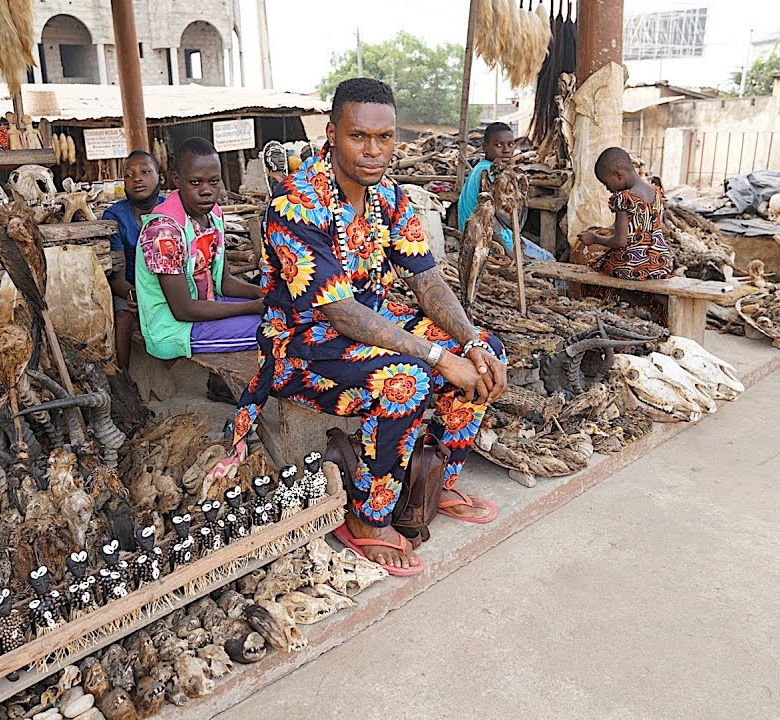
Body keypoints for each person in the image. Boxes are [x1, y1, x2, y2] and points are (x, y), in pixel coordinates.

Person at [212, 78, 509, 575]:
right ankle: (368, 519)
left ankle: (434, 479)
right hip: (304, 347)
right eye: (358, 137)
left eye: (385, 137)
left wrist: (472, 342)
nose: (374, 151)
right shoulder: (295, 203)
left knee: (488, 349)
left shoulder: (388, 197)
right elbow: (340, 312)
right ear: (331, 132)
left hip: (371, 332)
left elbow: (429, 281)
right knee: (406, 380)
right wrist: (438, 357)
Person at [134, 136, 264, 375]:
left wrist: (261, 293)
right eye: (195, 182)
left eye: (214, 182)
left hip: (207, 309)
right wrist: (253, 307)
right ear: (177, 180)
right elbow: (183, 310)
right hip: (176, 329)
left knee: (285, 313)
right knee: (279, 329)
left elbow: (222, 282)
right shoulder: (163, 231)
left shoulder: (214, 215)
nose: (206, 191)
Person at [575, 146, 675, 323]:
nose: (608, 189)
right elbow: (644, 227)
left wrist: (594, 238)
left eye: (607, 184)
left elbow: (620, 242)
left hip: (634, 265)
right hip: (660, 262)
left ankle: (616, 315)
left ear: (618, 175)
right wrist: (610, 229)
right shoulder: (655, 191)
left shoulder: (623, 198)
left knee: (596, 270)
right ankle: (651, 312)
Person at [101, 150, 167, 371]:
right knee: (122, 317)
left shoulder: (173, 211)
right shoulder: (114, 217)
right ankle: (123, 376)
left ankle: (214, 380)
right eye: (129, 175)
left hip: (170, 286)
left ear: (161, 178)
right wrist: (134, 295)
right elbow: (118, 278)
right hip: (131, 290)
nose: (137, 178)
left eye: (145, 172)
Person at [457, 122, 556, 262]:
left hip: (483, 240)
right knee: (549, 259)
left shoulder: (480, 168)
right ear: (485, 147)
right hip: (491, 245)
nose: (506, 150)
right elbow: (489, 220)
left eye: (510, 144)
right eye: (499, 145)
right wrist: (512, 255)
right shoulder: (491, 173)